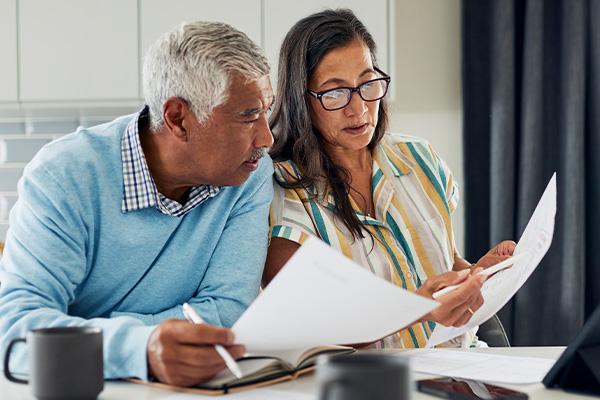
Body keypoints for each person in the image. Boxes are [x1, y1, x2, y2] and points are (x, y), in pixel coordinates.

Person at [0, 21, 274, 386]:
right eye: (248, 116)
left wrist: (84, 334)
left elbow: (227, 312)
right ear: (178, 118)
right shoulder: (64, 176)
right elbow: (15, 334)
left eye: (266, 112)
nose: (267, 138)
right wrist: (140, 348)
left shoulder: (248, 174)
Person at [264, 9, 515, 348]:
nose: (359, 109)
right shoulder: (278, 194)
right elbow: (309, 327)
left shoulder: (419, 158)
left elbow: (446, 260)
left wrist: (477, 275)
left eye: (367, 84)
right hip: (369, 383)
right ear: (301, 99)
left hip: (462, 368)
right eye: (335, 93)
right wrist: (418, 309)